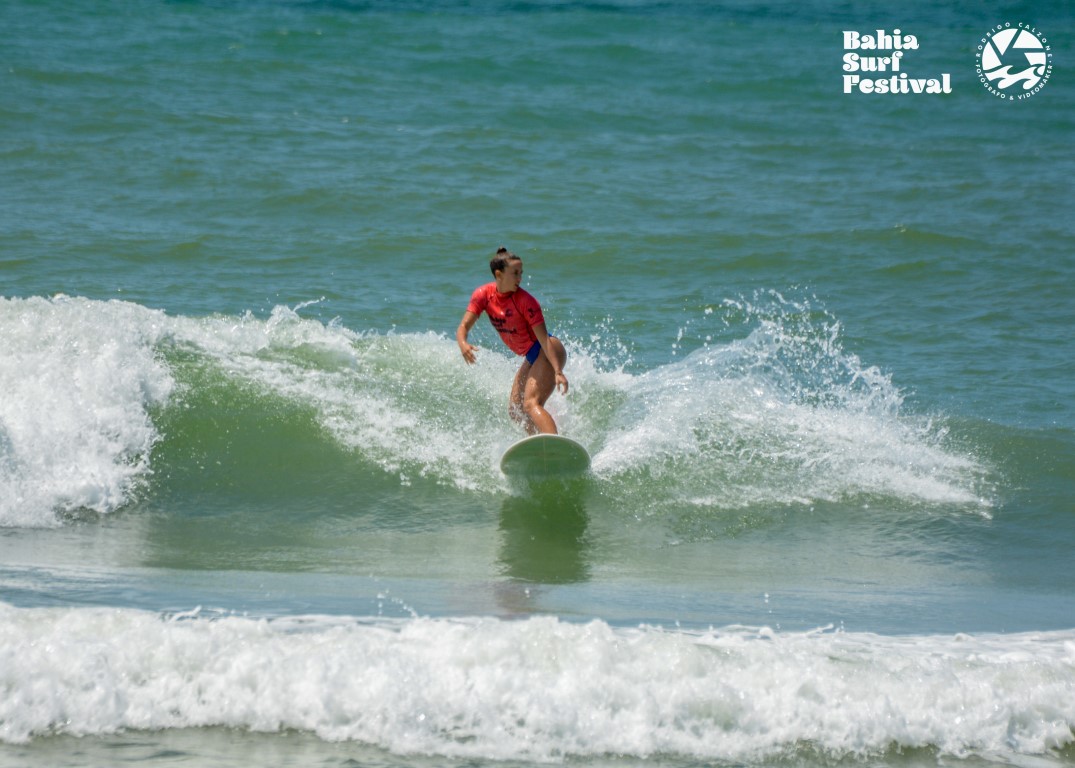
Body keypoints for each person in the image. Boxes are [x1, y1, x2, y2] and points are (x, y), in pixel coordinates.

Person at [457, 247, 569, 435]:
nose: (519, 278)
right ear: (498, 274)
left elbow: (544, 340)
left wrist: (558, 371)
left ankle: (553, 443)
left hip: (547, 349)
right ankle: (539, 441)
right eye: (515, 273)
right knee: (515, 410)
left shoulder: (526, 301)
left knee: (531, 403)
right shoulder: (483, 295)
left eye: (521, 273)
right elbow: (463, 327)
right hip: (532, 356)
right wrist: (463, 343)